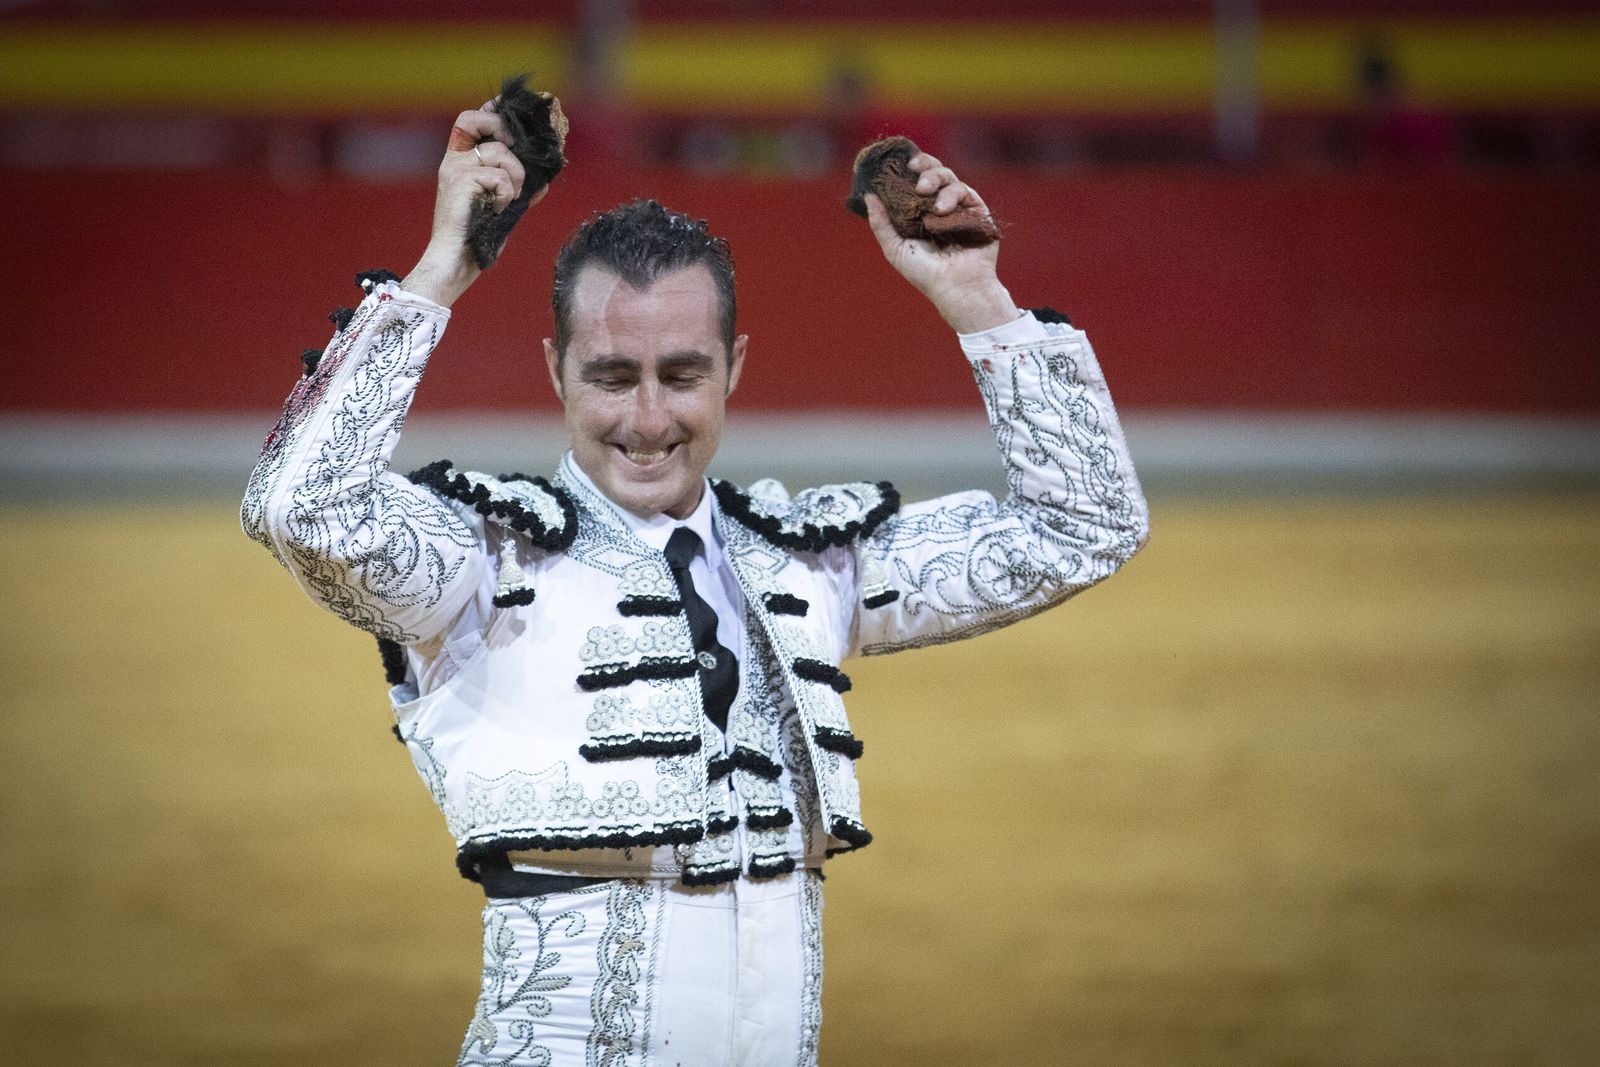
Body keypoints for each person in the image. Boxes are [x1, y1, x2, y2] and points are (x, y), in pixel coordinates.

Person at [242, 98, 1148, 1066]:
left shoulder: (801, 561)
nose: (645, 417)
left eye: (680, 374)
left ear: (733, 369)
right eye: (609, 375)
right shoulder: (481, 559)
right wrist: (439, 271)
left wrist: (978, 302)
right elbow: (300, 508)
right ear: (555, 371)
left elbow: (1082, 524)